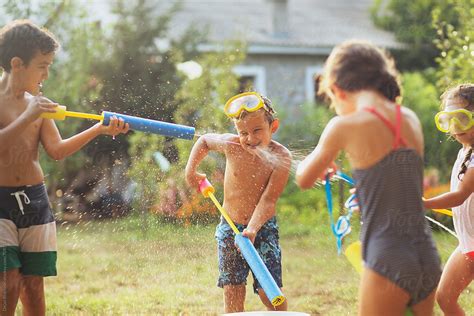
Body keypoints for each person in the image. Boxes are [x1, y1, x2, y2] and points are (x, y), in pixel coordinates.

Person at [295, 40, 441, 315]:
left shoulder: (343, 125)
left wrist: (320, 160)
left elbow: (304, 178)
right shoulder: (408, 118)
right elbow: (397, 180)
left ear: (336, 89)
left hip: (388, 256)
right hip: (426, 255)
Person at [0, 20, 129, 316]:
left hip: (34, 199)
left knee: (33, 285)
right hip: (1, 202)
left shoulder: (38, 104)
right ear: (17, 64)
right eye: (42, 66)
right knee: (7, 283)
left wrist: (98, 129)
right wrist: (28, 115)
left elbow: (56, 151)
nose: (46, 74)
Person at [185, 92, 290, 312]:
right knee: (232, 291)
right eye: (243, 132)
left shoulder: (281, 157)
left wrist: (252, 229)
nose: (250, 139)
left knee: (269, 294)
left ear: (274, 127)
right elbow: (204, 141)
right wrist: (191, 171)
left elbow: (269, 200)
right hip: (230, 228)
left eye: (257, 131)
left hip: (262, 229)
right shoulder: (232, 145)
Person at [424, 83, 474, 315]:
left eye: (461, 118)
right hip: (468, 244)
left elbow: (459, 196)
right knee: (444, 297)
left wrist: (422, 203)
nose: (454, 126)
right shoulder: (463, 152)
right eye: (448, 119)